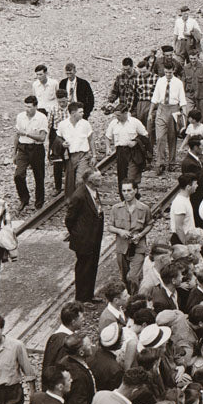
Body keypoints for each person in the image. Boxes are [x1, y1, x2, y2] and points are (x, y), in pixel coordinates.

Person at [65, 170, 105, 306]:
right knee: (83, 268)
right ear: (90, 181)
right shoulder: (79, 196)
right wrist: (77, 234)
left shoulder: (92, 191)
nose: (102, 178)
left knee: (92, 265)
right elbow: (69, 219)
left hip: (94, 236)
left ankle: (89, 295)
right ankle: (81, 298)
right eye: (98, 177)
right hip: (84, 239)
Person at [0, 313, 38, 404]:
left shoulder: (16, 346)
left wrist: (32, 398)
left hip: (12, 393)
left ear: (2, 329)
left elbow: (29, 373)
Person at [108, 182, 152, 293]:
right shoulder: (116, 208)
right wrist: (120, 231)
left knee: (133, 277)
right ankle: (127, 297)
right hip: (122, 247)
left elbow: (149, 224)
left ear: (135, 190)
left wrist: (140, 235)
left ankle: (135, 298)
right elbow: (109, 226)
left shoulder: (144, 208)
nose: (126, 193)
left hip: (138, 247)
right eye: (124, 191)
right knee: (124, 277)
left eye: (129, 190)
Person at [150, 62, 187, 176]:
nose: (168, 75)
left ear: (173, 71)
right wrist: (151, 112)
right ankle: (160, 162)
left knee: (172, 137)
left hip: (174, 110)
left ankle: (171, 162)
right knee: (160, 137)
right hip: (162, 109)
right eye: (166, 72)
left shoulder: (178, 83)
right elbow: (155, 98)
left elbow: (182, 100)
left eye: (170, 73)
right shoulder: (160, 81)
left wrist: (184, 115)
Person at [14, 94, 48, 210]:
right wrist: (14, 152)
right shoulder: (20, 117)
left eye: (29, 107)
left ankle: (39, 203)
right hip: (23, 148)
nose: (27, 109)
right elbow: (17, 135)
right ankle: (24, 198)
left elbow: (42, 137)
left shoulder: (42, 118)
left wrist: (27, 134)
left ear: (35, 106)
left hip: (36, 149)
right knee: (18, 175)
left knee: (39, 177)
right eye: (26, 107)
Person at [105, 105, 149, 193]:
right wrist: (108, 147)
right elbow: (107, 136)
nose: (117, 117)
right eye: (116, 115)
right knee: (122, 176)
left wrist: (136, 141)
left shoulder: (135, 122)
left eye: (119, 115)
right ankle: (124, 199)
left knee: (131, 177)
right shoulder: (113, 123)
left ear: (125, 113)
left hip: (133, 151)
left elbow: (145, 135)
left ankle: (134, 197)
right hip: (120, 152)